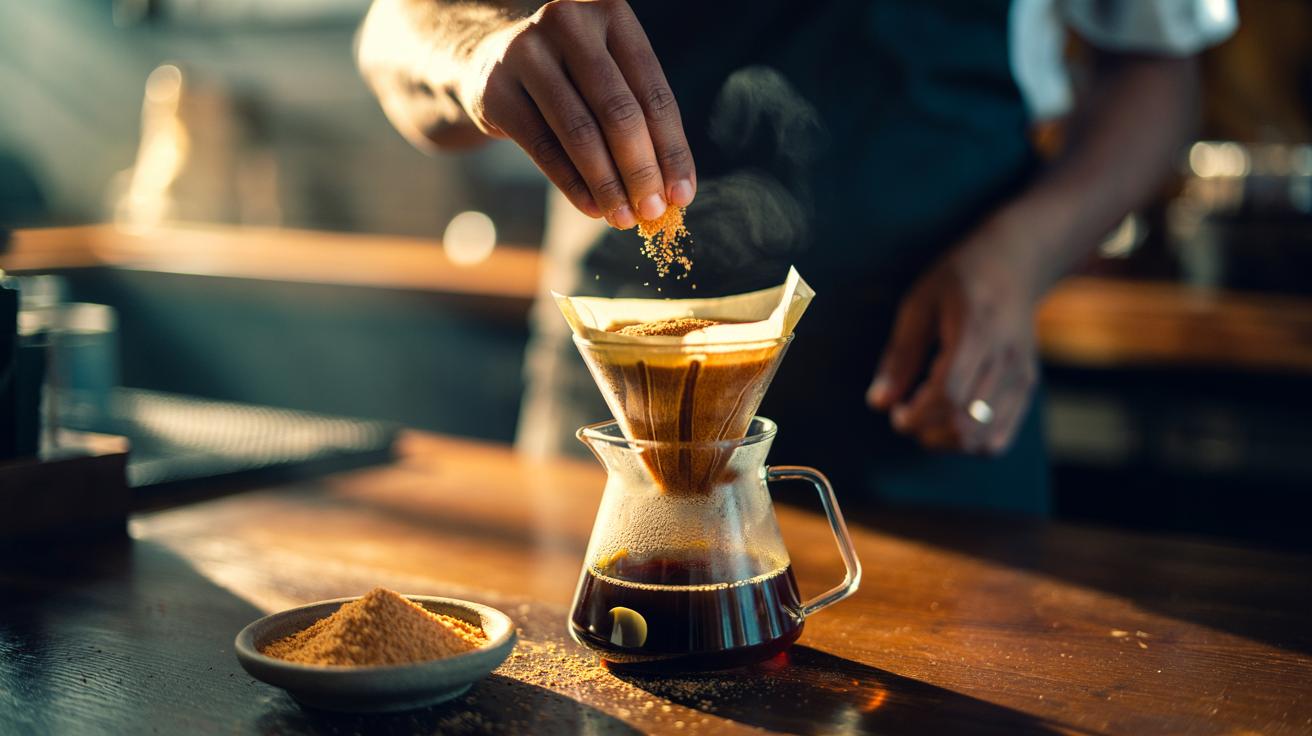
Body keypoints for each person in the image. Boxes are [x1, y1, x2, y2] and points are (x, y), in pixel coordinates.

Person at [357, 0, 1236, 515]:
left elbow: (1159, 65)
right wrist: (472, 45)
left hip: (927, 383)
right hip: (623, 410)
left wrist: (1022, 255)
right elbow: (393, 26)